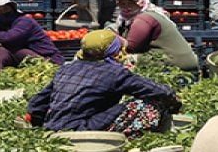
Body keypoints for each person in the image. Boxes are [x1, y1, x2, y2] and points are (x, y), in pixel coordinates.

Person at [26, 29, 180, 138]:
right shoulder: (115, 73)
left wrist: (43, 125)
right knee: (146, 105)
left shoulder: (66, 69)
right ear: (114, 51)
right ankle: (129, 139)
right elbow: (156, 90)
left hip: (54, 128)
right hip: (83, 130)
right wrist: (173, 101)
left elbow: (36, 105)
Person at [113, 0, 199, 73]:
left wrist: (111, 37)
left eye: (130, 3)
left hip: (174, 63)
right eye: (123, 4)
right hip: (172, 61)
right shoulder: (129, 19)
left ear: (141, 3)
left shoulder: (144, 18)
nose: (126, 7)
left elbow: (131, 46)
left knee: (123, 62)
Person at [0, 0, 66, 70]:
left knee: (13, 50)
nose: (3, 12)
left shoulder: (25, 21)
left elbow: (10, 37)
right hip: (20, 58)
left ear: (12, 9)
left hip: (46, 59)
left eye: (6, 9)